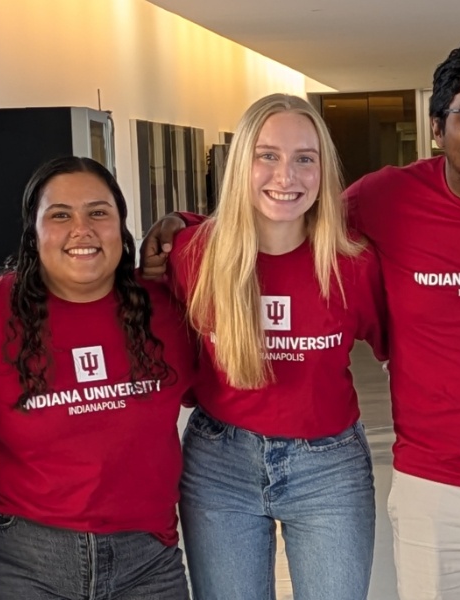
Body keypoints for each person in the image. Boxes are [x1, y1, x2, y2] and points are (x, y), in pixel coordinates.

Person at [142, 43, 460, 599]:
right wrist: (181, 226)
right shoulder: (385, 200)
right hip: (430, 486)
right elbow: (284, 217)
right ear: (438, 127)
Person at [160, 94, 385, 600]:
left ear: (323, 170)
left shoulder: (355, 264)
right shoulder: (191, 256)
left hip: (329, 468)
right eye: (268, 156)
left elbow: (414, 351)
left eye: (305, 158)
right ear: (242, 162)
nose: (287, 176)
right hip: (219, 465)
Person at [0, 157, 197, 599]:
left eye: (98, 212)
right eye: (60, 214)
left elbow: (248, 242)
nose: (81, 229)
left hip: (145, 555)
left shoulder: (169, 309)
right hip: (15, 553)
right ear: (34, 233)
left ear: (123, 228)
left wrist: (184, 223)